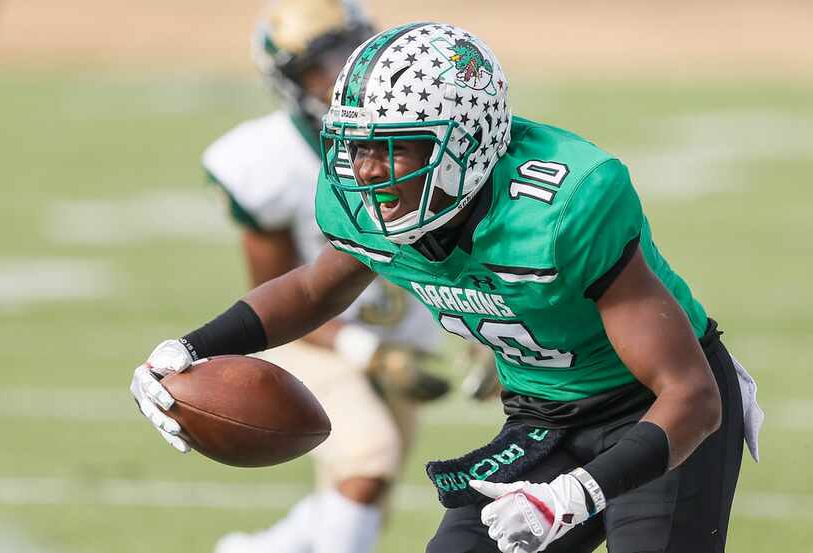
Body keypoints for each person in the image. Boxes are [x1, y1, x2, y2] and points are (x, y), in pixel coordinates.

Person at [131, 21, 763, 553]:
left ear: (469, 143)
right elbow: (314, 291)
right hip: (543, 416)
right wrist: (188, 350)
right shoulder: (373, 202)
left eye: (395, 148)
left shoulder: (562, 207)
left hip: (655, 409)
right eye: (355, 148)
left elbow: (692, 395)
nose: (366, 173)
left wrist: (574, 496)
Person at [199, 4, 456, 553]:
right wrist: (368, 351)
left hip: (395, 336)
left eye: (352, 47)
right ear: (289, 81)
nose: (344, 71)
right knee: (368, 459)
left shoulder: (422, 132)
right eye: (322, 60)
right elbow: (279, 300)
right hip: (312, 342)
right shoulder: (268, 161)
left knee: (363, 496)